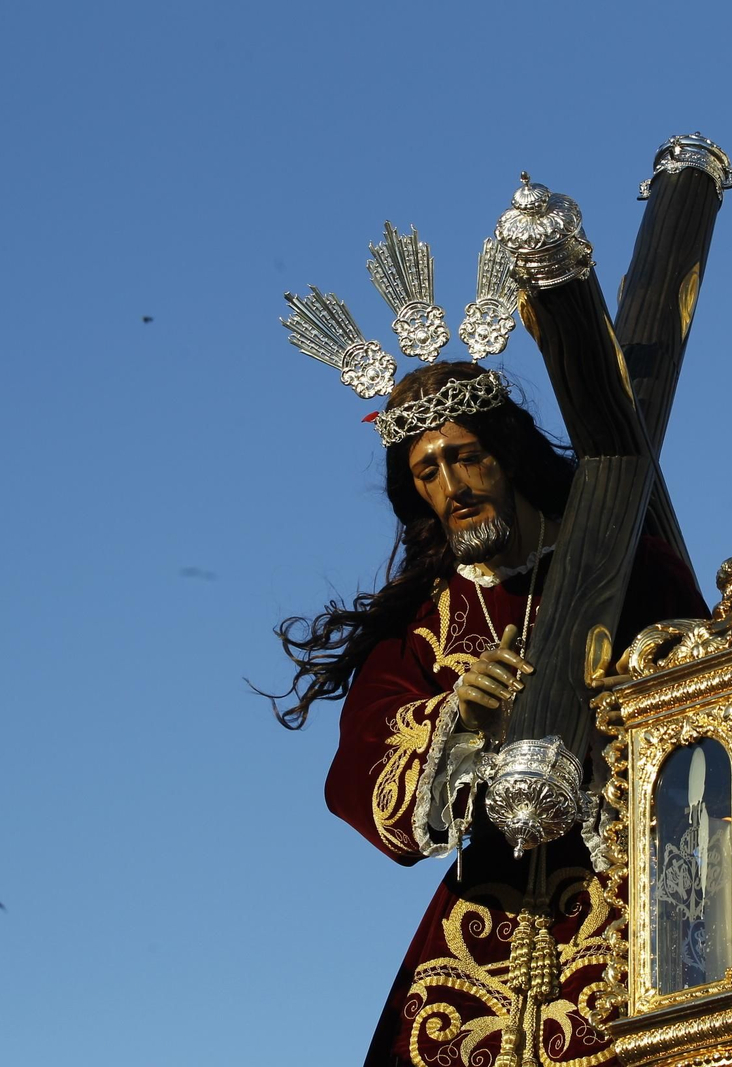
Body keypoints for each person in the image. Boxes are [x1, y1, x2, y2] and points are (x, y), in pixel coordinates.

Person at [271, 360, 706, 1067]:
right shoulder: (424, 618)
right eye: (427, 473)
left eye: (465, 457)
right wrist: (455, 716)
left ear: (507, 451)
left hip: (627, 904)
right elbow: (357, 768)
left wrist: (608, 725)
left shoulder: (629, 567)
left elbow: (704, 709)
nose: (452, 488)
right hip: (484, 924)